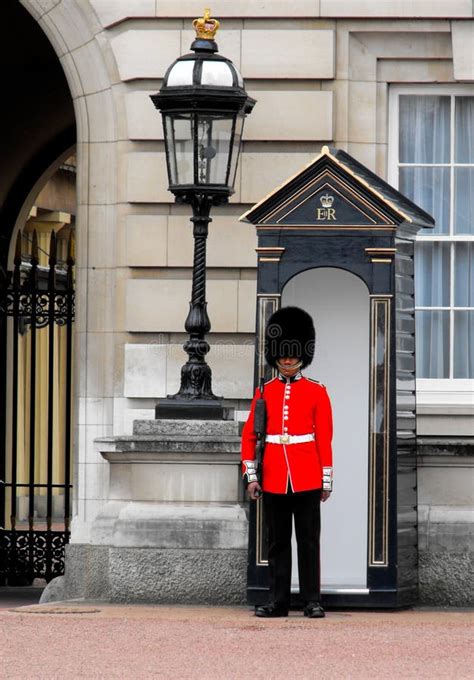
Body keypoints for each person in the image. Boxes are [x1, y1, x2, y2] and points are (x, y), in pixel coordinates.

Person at [241, 306, 333, 618]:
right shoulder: (264, 392)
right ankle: (278, 601)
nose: (288, 359)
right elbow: (249, 438)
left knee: (308, 542)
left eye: (293, 355)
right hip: (274, 477)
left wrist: (326, 479)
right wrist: (252, 476)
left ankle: (312, 600)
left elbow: (324, 438)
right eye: (283, 354)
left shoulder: (317, 392)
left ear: (302, 355)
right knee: (277, 543)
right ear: (276, 355)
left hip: (306, 476)